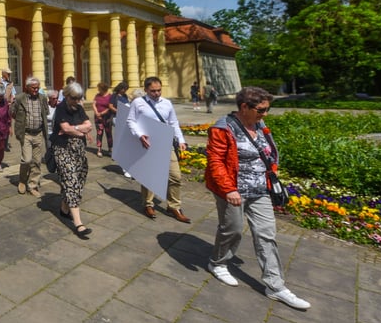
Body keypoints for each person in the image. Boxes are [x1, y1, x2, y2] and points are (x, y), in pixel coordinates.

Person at [205, 87, 311, 310]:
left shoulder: (260, 125)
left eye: (267, 109)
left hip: (260, 190)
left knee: (266, 235)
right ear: (244, 107)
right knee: (232, 229)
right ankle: (218, 263)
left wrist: (272, 170)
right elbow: (215, 162)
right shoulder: (223, 128)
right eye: (261, 110)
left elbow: (269, 151)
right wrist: (228, 189)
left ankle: (275, 286)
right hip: (232, 190)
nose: (265, 114)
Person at [126, 76, 191, 223]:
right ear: (146, 90)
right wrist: (139, 134)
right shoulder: (138, 103)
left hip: (165, 143)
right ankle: (148, 204)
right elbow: (131, 120)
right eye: (153, 91)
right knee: (150, 176)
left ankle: (174, 206)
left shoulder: (167, 103)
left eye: (159, 90)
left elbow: (173, 122)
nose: (156, 93)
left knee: (175, 176)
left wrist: (181, 140)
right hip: (148, 143)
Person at [51, 82, 94, 238]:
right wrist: (78, 129)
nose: (77, 101)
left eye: (79, 98)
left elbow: (89, 125)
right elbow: (65, 128)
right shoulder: (61, 108)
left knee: (80, 177)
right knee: (71, 180)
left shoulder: (79, 108)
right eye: (74, 98)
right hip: (63, 149)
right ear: (67, 96)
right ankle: (78, 224)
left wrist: (75, 129)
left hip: (79, 149)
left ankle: (64, 208)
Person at [9, 77, 48, 196]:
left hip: (38, 133)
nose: (36, 90)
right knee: (26, 160)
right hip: (26, 133)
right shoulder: (20, 98)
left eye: (38, 87)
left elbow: (45, 112)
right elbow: (12, 112)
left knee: (36, 161)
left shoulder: (42, 98)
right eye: (33, 88)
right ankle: (22, 180)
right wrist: (20, 122)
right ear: (27, 87)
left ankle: (32, 185)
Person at [109, 82, 131, 176]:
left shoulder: (125, 96)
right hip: (117, 117)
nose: (124, 90)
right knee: (122, 138)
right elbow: (110, 106)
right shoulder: (114, 96)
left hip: (125, 118)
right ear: (120, 88)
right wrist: (120, 111)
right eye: (123, 89)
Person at [92, 82, 114, 157]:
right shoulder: (97, 96)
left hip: (107, 118)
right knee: (99, 133)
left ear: (103, 89)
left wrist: (101, 113)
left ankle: (110, 149)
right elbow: (94, 104)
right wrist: (97, 112)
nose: (98, 90)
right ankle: (99, 149)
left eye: (99, 89)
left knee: (109, 134)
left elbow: (109, 107)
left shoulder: (110, 96)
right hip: (98, 119)